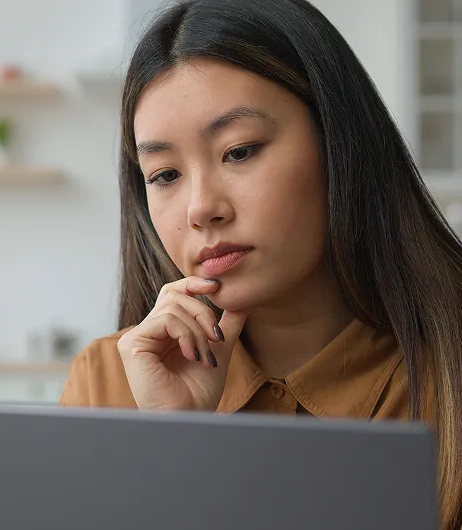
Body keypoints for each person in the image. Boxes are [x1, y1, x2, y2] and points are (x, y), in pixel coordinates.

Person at [60, 1, 462, 528]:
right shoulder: (105, 383)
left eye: (241, 151)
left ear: (339, 144)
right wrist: (175, 444)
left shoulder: (447, 375)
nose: (201, 207)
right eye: (163, 175)